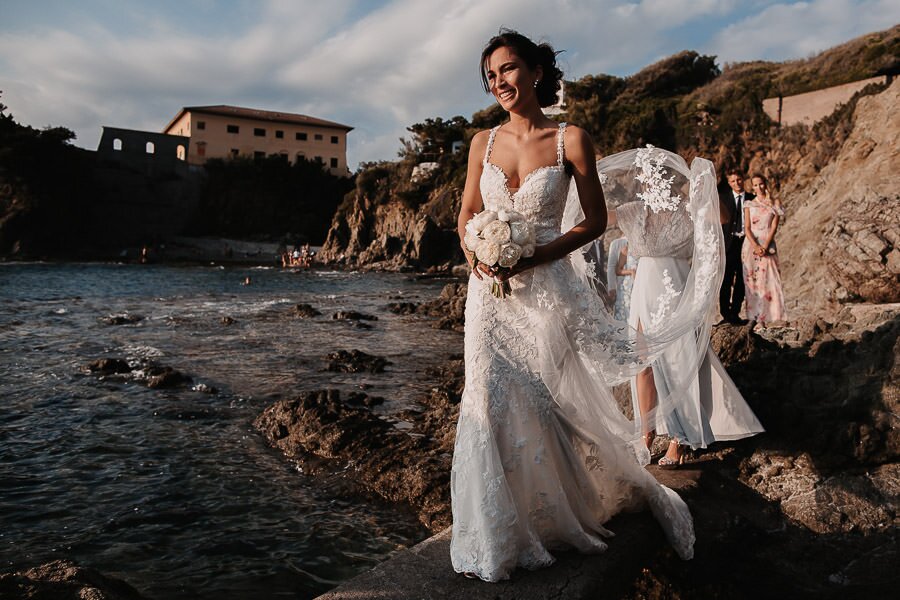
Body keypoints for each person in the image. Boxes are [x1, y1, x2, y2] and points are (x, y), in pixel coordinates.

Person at [451, 29, 695, 583]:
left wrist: (533, 254)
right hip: (489, 297)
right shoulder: (481, 144)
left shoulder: (571, 140)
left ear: (536, 70)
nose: (499, 83)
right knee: (486, 398)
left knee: (542, 402)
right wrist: (477, 255)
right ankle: (495, 532)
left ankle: (553, 516)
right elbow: (466, 215)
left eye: (508, 69)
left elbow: (595, 222)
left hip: (545, 292)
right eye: (491, 76)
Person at [742, 174, 786, 327]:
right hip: (751, 246)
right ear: (752, 187)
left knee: (771, 279)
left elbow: (774, 227)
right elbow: (747, 228)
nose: (758, 187)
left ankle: (774, 317)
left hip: (767, 244)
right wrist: (755, 246)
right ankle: (755, 318)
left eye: (761, 184)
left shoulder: (775, 203)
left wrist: (765, 246)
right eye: (755, 185)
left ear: (765, 184)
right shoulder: (749, 204)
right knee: (753, 282)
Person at [719, 169, 754, 324]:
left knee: (741, 279)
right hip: (728, 244)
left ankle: (735, 313)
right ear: (729, 183)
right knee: (725, 280)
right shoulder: (723, 199)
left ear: (743, 179)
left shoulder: (752, 199)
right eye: (733, 181)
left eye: (739, 180)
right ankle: (725, 314)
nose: (737, 183)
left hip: (745, 244)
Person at [612, 239, 636, 321]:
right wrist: (631, 271)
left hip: (641, 282)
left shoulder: (643, 250)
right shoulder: (626, 249)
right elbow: (618, 270)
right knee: (627, 310)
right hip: (628, 286)